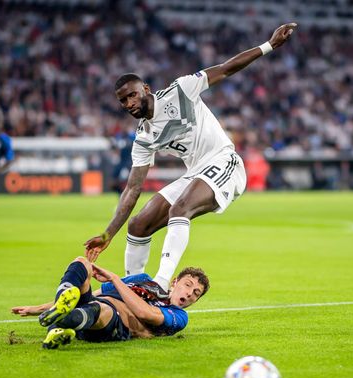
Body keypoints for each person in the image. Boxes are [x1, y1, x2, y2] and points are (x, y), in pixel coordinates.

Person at [84, 23, 298, 292]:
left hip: (225, 163)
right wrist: (107, 234)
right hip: (195, 173)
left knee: (179, 208)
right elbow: (132, 190)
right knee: (139, 225)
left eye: (132, 95)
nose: (129, 104)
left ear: (146, 89)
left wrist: (269, 46)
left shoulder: (181, 90)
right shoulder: (143, 137)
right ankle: (132, 291)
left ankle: (160, 285)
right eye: (123, 101)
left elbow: (226, 68)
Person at [11, 256, 209, 349]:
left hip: (113, 325)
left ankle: (61, 322)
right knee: (82, 263)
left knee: (102, 308)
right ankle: (60, 323)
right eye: (187, 285)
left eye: (195, 293)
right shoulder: (143, 280)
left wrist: (115, 279)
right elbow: (93, 292)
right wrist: (37, 309)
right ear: (175, 282)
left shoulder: (179, 316)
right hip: (90, 309)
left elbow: (144, 314)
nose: (189, 293)